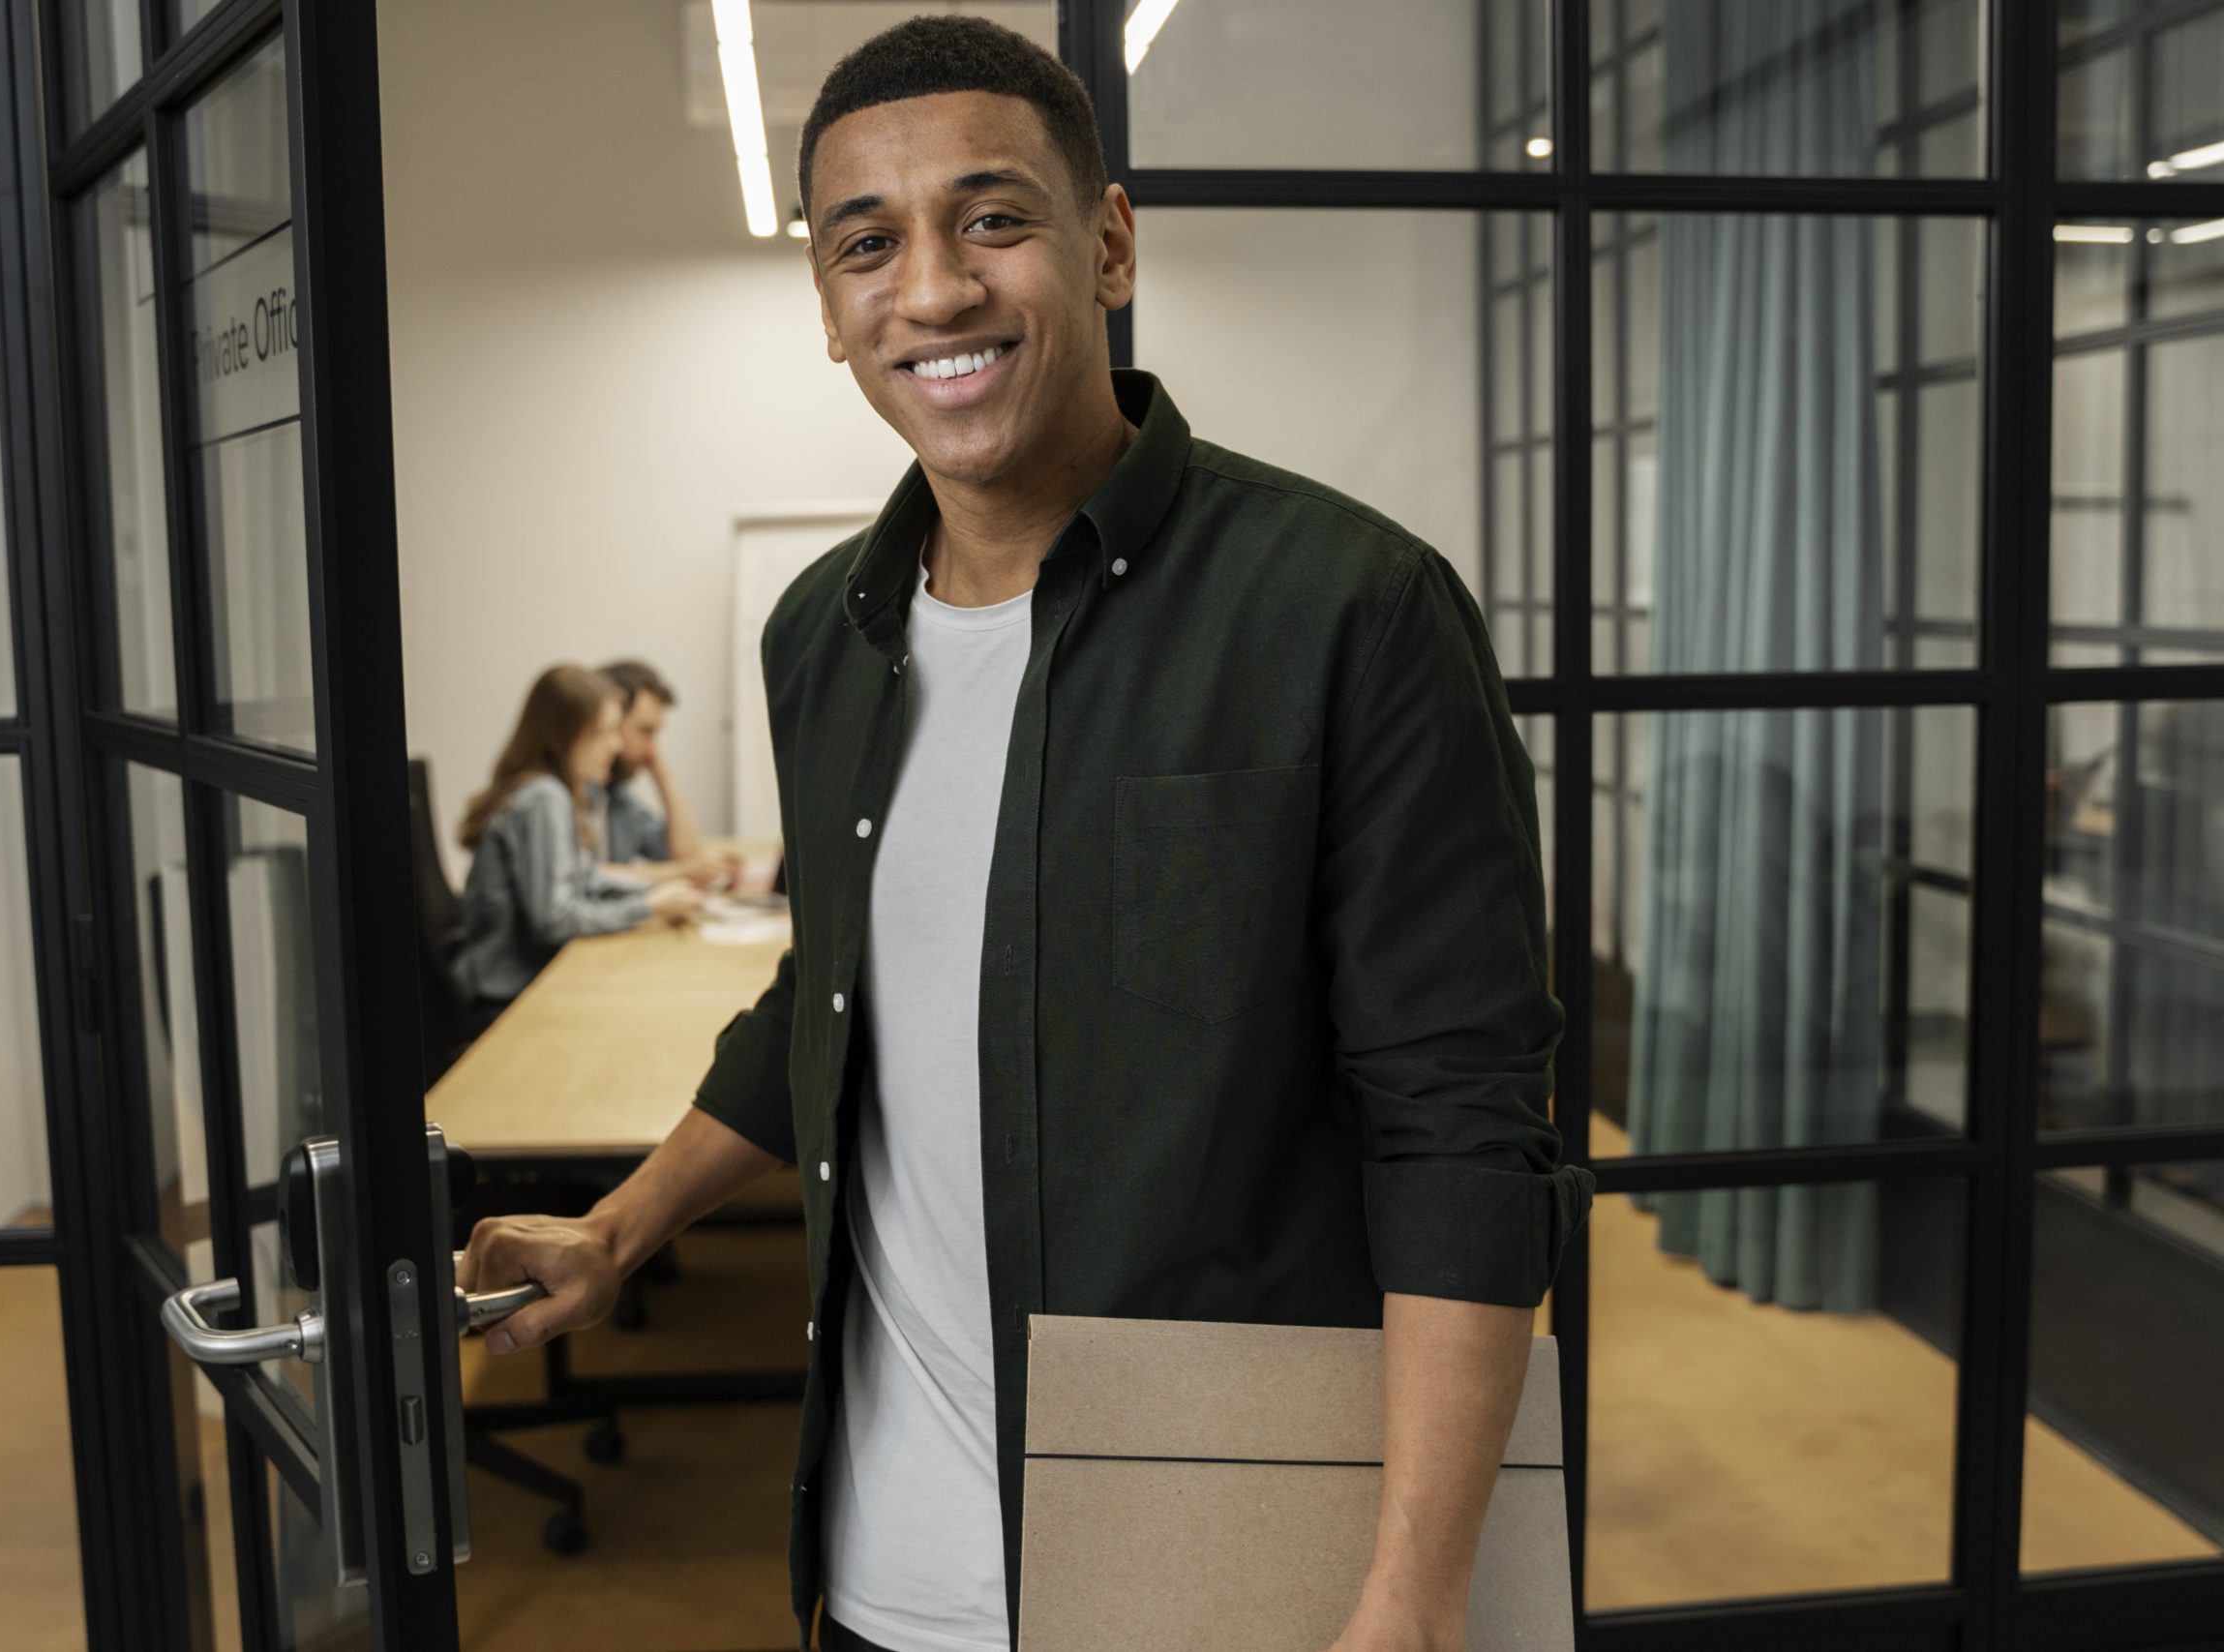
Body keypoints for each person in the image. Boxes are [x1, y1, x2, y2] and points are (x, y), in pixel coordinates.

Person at [464, 18, 1594, 1652]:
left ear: (1108, 243)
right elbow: (833, 998)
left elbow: (1464, 1128)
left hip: (1223, 1551)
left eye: (992, 220)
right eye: (870, 244)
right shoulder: (820, 635)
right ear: (831, 308)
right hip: (876, 1568)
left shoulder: (1350, 608)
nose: (932, 288)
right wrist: (621, 1225)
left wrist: (1414, 1595)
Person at [451, 665, 704, 1034]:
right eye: (602, 734)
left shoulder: (558, 793)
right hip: (505, 1001)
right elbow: (555, 920)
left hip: (523, 987)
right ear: (564, 737)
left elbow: (586, 876)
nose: (615, 746)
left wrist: (657, 892)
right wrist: (647, 905)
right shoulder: (543, 799)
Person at [592, 657, 742, 887]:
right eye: (645, 731)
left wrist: (660, 771)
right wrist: (682, 870)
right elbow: (585, 877)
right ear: (607, 719)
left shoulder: (618, 797)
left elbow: (688, 857)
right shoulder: (563, 793)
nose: (652, 749)